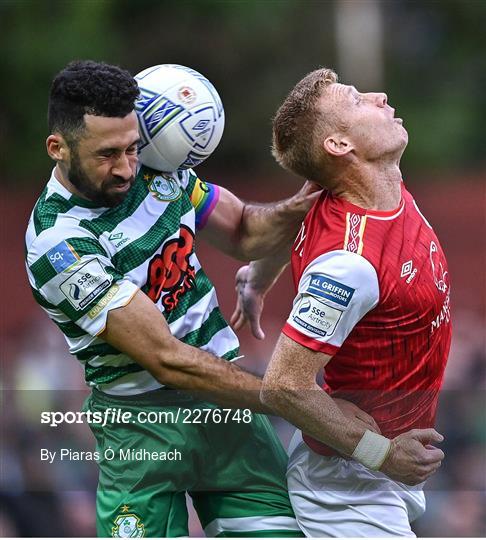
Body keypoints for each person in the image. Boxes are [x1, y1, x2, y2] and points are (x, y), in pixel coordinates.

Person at [25, 59, 325, 538]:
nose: (126, 168)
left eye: (132, 147)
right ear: (57, 147)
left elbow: (245, 229)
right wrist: (286, 398)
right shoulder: (58, 245)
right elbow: (167, 360)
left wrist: (307, 201)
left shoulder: (156, 167)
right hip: (143, 429)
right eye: (107, 155)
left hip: (227, 414)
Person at [232, 68, 452, 537]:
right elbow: (284, 386)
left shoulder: (375, 181)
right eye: (358, 100)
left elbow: (296, 211)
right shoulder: (348, 265)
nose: (380, 95)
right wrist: (383, 455)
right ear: (340, 146)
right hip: (351, 485)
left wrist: (257, 278)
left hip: (386, 464)